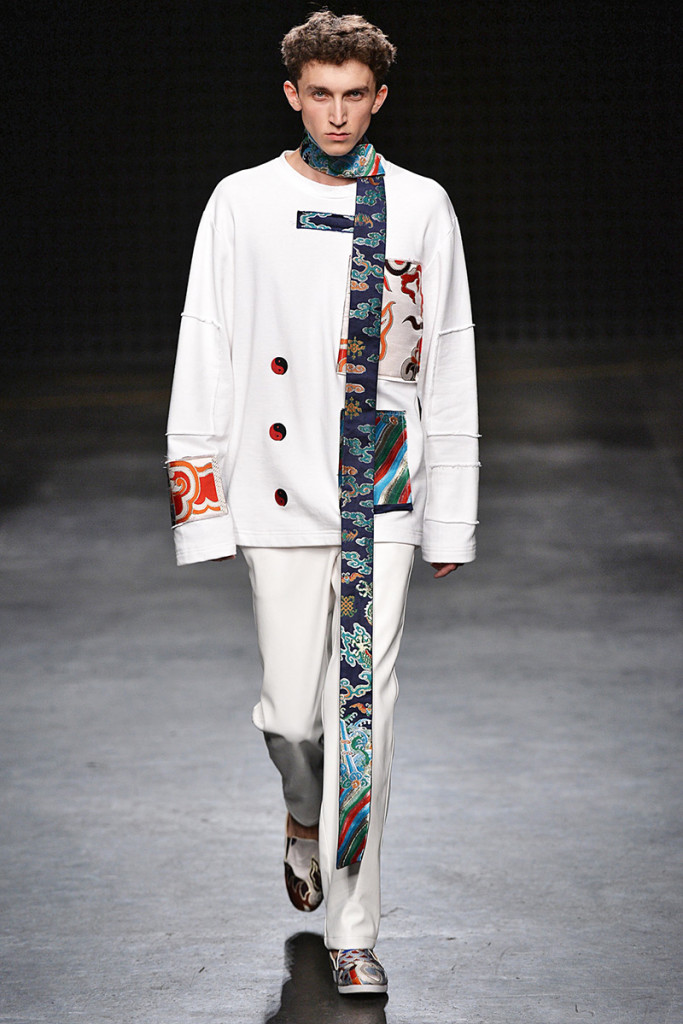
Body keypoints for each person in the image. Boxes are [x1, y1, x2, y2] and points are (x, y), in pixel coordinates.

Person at [166, 10, 479, 997]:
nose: (336, 114)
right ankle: (301, 814)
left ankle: (353, 931)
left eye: (353, 96)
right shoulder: (240, 201)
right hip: (271, 486)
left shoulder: (419, 204)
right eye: (319, 95)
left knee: (361, 724)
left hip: (377, 485)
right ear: (291, 96)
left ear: (378, 98)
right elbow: (206, 345)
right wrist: (201, 505)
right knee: (293, 722)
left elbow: (449, 356)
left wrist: (450, 511)